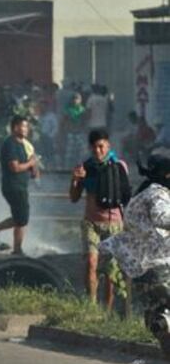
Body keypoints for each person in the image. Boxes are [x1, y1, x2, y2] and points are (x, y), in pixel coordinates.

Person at [100, 149, 170, 355]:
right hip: (159, 265)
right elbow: (160, 216)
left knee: (157, 309)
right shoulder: (157, 194)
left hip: (140, 268)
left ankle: (162, 327)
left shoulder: (141, 194)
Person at [69, 128, 130, 310]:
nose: (98, 151)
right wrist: (75, 180)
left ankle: (107, 310)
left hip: (114, 225)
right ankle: (91, 307)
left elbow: (125, 194)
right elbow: (74, 197)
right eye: (94, 147)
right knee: (91, 263)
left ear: (108, 145)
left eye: (101, 147)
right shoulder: (85, 168)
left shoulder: (119, 166)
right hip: (91, 223)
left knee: (111, 271)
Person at [0, 116, 39, 255]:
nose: (25, 129)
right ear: (15, 127)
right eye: (23, 126)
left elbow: (32, 170)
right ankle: (17, 249)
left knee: (19, 217)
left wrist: (34, 166)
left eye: (27, 127)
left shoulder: (24, 145)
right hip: (13, 186)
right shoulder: (10, 144)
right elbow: (14, 167)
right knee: (22, 219)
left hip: (21, 185)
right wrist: (30, 163)